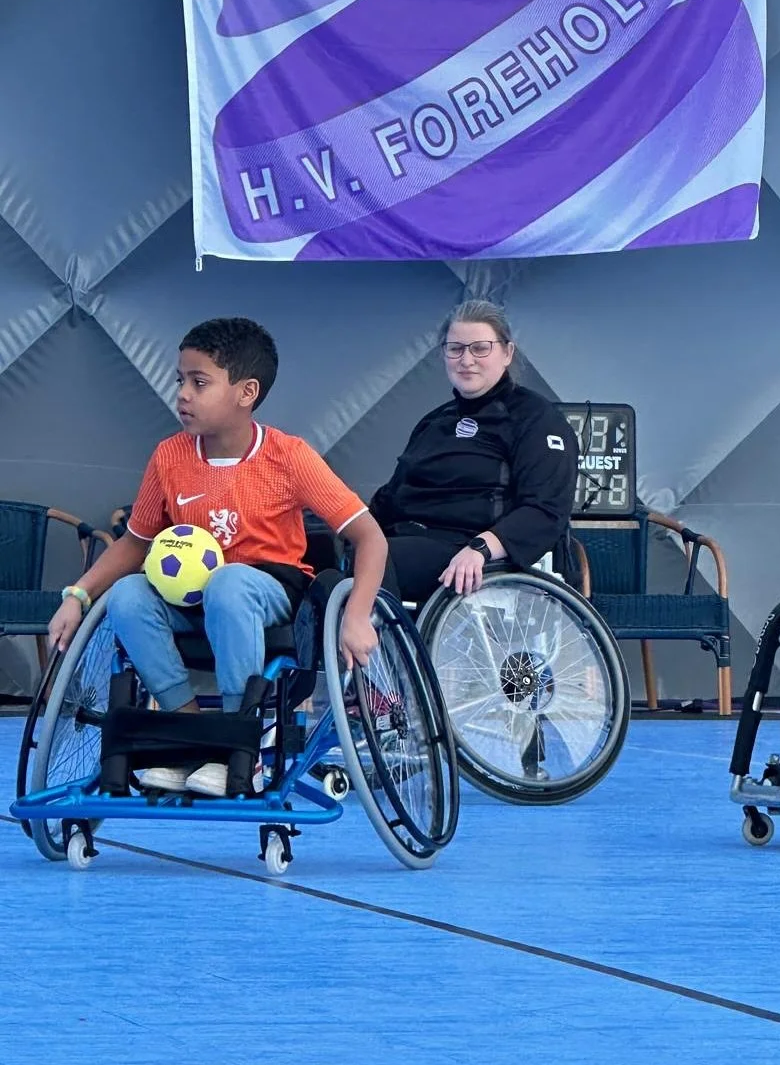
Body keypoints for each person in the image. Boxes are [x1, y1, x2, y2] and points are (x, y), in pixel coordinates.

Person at [46, 316, 388, 796]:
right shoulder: (170, 456)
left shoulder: (289, 457)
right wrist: (78, 595)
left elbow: (371, 537)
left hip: (268, 589)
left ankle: (238, 742)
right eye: (180, 380)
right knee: (127, 594)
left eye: (199, 382)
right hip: (192, 600)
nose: (182, 393)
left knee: (228, 583)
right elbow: (136, 543)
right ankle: (191, 738)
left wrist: (356, 616)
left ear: (246, 392)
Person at [369, 299, 578, 601]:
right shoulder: (435, 421)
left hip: (471, 553)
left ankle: (376, 648)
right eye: (455, 348)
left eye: (480, 348)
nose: (466, 359)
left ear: (507, 353)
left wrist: (482, 547)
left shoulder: (536, 420)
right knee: (323, 560)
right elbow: (390, 498)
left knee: (372, 562)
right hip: (405, 538)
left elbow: (545, 510)